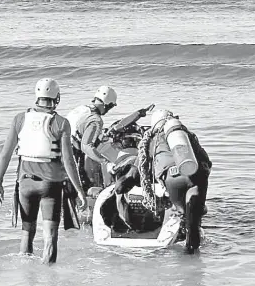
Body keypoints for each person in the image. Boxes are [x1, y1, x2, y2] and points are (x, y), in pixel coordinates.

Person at [0, 78, 87, 265]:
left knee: (27, 232)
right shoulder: (61, 123)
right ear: (56, 97)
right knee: (50, 237)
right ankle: (48, 277)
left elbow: (6, 154)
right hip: (50, 185)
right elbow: (68, 161)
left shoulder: (20, 119)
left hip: (25, 183)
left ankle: (27, 276)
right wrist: (79, 190)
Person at [114, 109, 212, 253]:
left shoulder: (150, 141)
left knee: (183, 216)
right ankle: (194, 265)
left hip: (173, 180)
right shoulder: (186, 136)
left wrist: (119, 187)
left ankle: (182, 261)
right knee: (194, 225)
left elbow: (133, 175)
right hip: (196, 177)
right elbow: (207, 162)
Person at [66, 86, 118, 191]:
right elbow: (86, 147)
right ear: (106, 104)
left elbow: (79, 130)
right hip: (72, 153)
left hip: (62, 147)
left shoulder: (82, 108)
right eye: (111, 107)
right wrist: (106, 162)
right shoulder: (96, 120)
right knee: (80, 186)